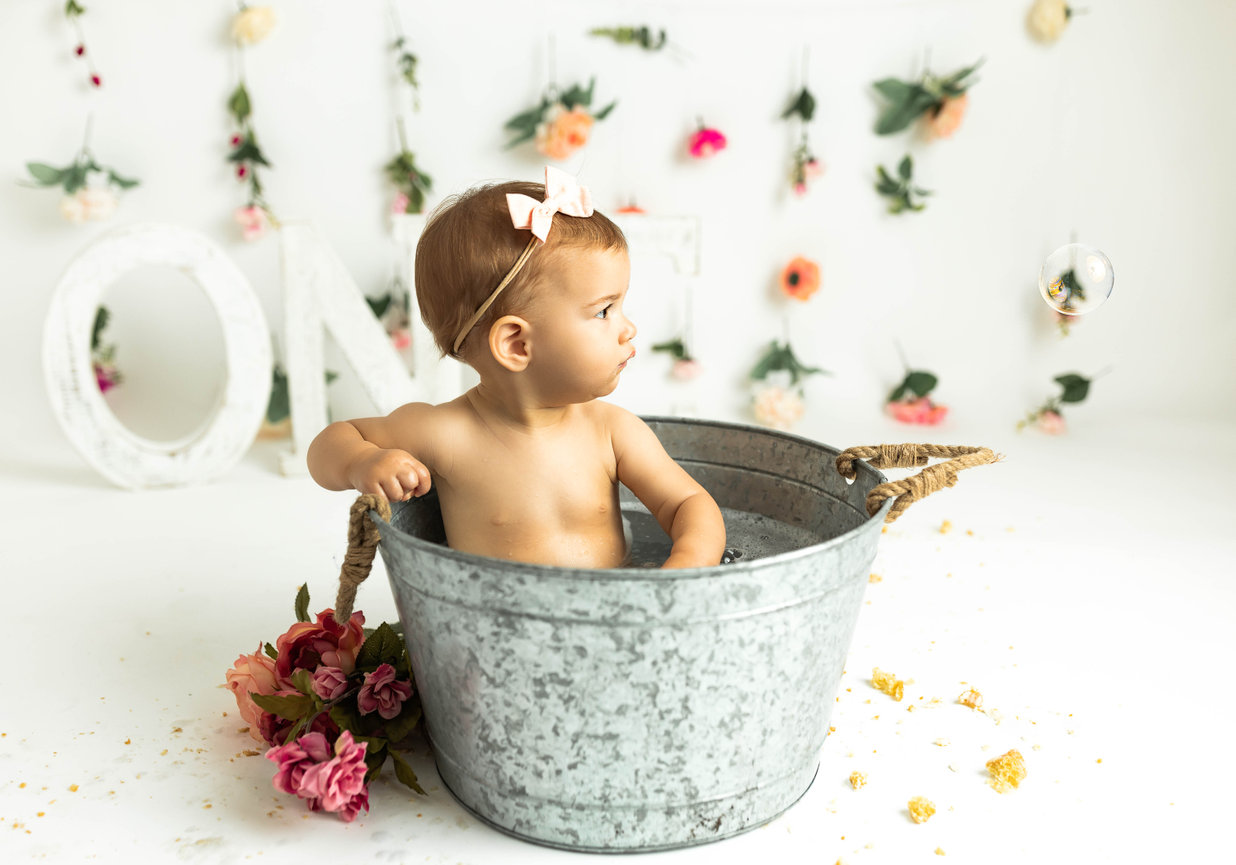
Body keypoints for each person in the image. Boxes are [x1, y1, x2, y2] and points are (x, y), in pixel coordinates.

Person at [307, 167, 726, 569]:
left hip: (616, 613)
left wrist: (685, 566)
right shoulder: (446, 433)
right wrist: (361, 463)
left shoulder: (613, 432)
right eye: (604, 311)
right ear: (516, 344)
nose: (628, 327)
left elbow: (688, 504)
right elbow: (332, 441)